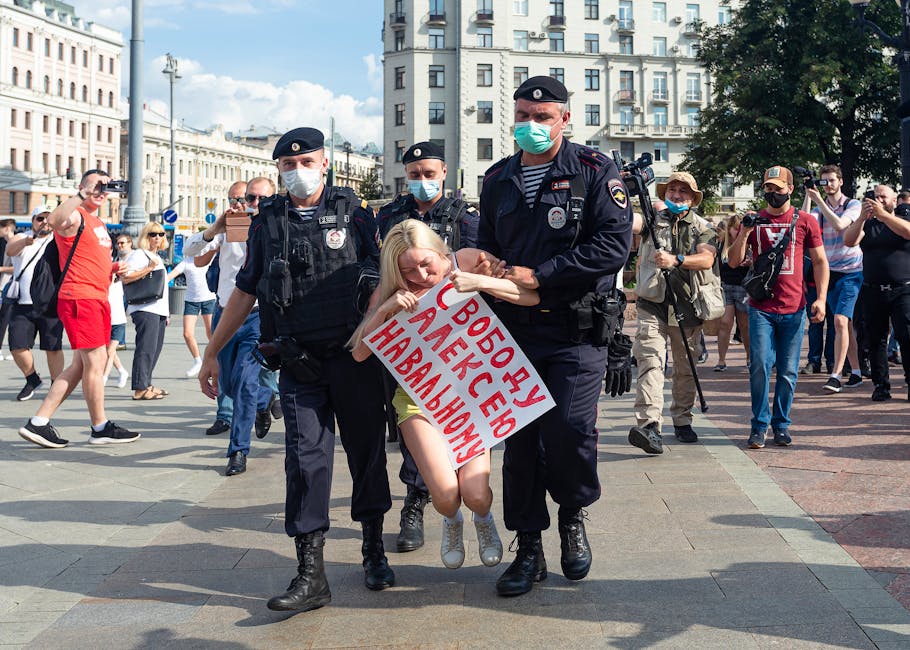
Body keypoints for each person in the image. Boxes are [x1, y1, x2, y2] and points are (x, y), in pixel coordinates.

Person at [197, 127, 394, 612]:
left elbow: (386, 276)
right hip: (299, 362)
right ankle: (310, 572)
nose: (297, 170)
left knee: (366, 453)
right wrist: (211, 353)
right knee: (305, 464)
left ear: (324, 163)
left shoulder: (354, 214)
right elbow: (244, 291)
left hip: (355, 358)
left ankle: (373, 545)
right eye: (288, 164)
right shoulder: (268, 222)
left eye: (306, 161)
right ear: (279, 170)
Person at [478, 76, 633, 597]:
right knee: (519, 442)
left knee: (568, 432)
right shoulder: (497, 178)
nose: (532, 126)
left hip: (575, 327)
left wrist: (542, 273)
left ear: (565, 119)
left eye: (542, 118)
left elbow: (613, 247)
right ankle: (529, 547)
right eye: (523, 116)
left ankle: (572, 512)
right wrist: (489, 263)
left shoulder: (594, 170)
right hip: (513, 331)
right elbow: (487, 244)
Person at [349, 219, 533, 570]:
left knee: (477, 495)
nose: (419, 275)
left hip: (473, 396)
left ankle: (482, 519)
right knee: (446, 497)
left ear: (439, 252)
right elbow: (359, 352)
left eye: (426, 264)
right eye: (408, 270)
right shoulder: (392, 288)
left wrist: (481, 281)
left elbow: (529, 295)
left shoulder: (466, 259)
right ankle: (452, 521)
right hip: (418, 400)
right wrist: (386, 310)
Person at [376, 141, 480, 553]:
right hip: (407, 340)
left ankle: (468, 504)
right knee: (413, 427)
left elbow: (483, 264)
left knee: (462, 423)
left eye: (428, 173)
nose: (421, 181)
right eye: (414, 175)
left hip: (458, 339)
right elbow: (372, 268)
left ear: (444, 172)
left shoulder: (466, 217)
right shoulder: (388, 217)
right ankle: (415, 502)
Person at [17, 170, 140, 448]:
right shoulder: (76, 215)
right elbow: (55, 220)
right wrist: (82, 195)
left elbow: (88, 258)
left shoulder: (97, 222)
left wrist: (112, 269)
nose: (101, 190)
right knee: (94, 364)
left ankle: (39, 423)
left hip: (96, 297)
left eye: (105, 186)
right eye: (96, 185)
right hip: (80, 298)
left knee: (78, 366)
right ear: (82, 186)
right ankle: (100, 427)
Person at [728, 166, 828, 448]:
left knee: (788, 370)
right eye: (768, 188)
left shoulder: (805, 220)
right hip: (761, 307)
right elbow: (733, 261)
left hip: (795, 307)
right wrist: (744, 233)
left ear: (790, 190)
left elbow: (820, 262)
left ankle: (781, 425)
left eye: (778, 188)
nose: (772, 193)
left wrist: (820, 298)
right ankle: (759, 425)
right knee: (759, 364)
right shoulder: (753, 220)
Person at [184, 179, 276, 469]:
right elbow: (191, 252)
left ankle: (238, 450)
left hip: (258, 314)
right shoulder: (231, 227)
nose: (252, 203)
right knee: (228, 383)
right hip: (226, 312)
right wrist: (216, 229)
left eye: (262, 198)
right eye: (249, 198)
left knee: (246, 382)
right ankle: (264, 401)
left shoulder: (277, 227)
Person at [628, 171, 717, 453]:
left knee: (684, 368)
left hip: (688, 306)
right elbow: (628, 220)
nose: (677, 195)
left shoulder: (705, 227)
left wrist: (677, 260)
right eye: (672, 190)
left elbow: (706, 259)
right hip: (652, 304)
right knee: (651, 362)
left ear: (692, 198)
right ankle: (649, 426)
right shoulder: (653, 220)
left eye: (683, 191)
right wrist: (617, 188)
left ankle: (682, 419)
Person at [843, 184, 910, 401]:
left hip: (903, 289)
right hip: (873, 289)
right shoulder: (868, 224)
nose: (879, 200)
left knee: (906, 336)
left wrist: (883, 215)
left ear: (893, 200)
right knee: (875, 339)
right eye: (875, 197)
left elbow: (907, 232)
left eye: (884, 197)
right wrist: (862, 217)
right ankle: (881, 384)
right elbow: (849, 240)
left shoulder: (902, 220)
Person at [802, 165, 864, 392]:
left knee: (838, 321)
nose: (827, 185)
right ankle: (856, 371)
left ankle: (836, 375)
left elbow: (839, 225)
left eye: (831, 180)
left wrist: (818, 200)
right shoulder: (821, 205)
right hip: (828, 272)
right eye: (823, 181)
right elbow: (806, 221)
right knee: (845, 324)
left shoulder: (852, 205)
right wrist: (808, 195)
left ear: (841, 181)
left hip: (851, 271)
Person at [5, 206, 66, 401]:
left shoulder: (59, 241)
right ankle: (32, 378)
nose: (45, 223)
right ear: (33, 220)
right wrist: (25, 241)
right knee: (16, 346)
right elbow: (10, 249)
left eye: (49, 219)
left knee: (53, 347)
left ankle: (56, 385)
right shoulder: (22, 238)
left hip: (51, 305)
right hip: (23, 304)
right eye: (40, 219)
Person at [120, 222, 170, 400]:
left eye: (161, 234)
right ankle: (140, 388)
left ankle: (147, 384)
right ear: (145, 236)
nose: (157, 237)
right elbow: (125, 278)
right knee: (145, 348)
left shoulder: (155, 256)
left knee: (154, 348)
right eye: (153, 234)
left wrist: (166, 313)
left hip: (158, 309)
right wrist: (148, 268)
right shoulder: (139, 255)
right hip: (145, 308)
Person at [167, 254, 217, 378]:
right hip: (191, 301)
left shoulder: (210, 258)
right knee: (187, 334)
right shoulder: (186, 262)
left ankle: (214, 361)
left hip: (209, 299)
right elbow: (169, 276)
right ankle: (198, 361)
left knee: (211, 333)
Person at [715, 213, 750, 371]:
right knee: (725, 324)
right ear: (729, 229)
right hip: (726, 286)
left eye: (739, 228)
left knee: (745, 326)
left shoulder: (747, 243)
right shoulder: (722, 244)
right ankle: (721, 360)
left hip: (743, 287)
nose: (737, 231)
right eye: (735, 228)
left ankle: (750, 358)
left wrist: (751, 263)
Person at [102, 270, 129, 388]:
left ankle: (104, 378)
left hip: (119, 322)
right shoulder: (102, 285)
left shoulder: (119, 285)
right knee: (109, 350)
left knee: (110, 351)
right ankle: (122, 371)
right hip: (106, 321)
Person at [0, 218, 17, 361]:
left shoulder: (17, 244)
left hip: (11, 288)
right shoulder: (2, 243)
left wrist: (2, 269)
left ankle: (15, 350)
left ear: (7, 228)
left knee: (7, 320)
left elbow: (18, 267)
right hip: (4, 288)